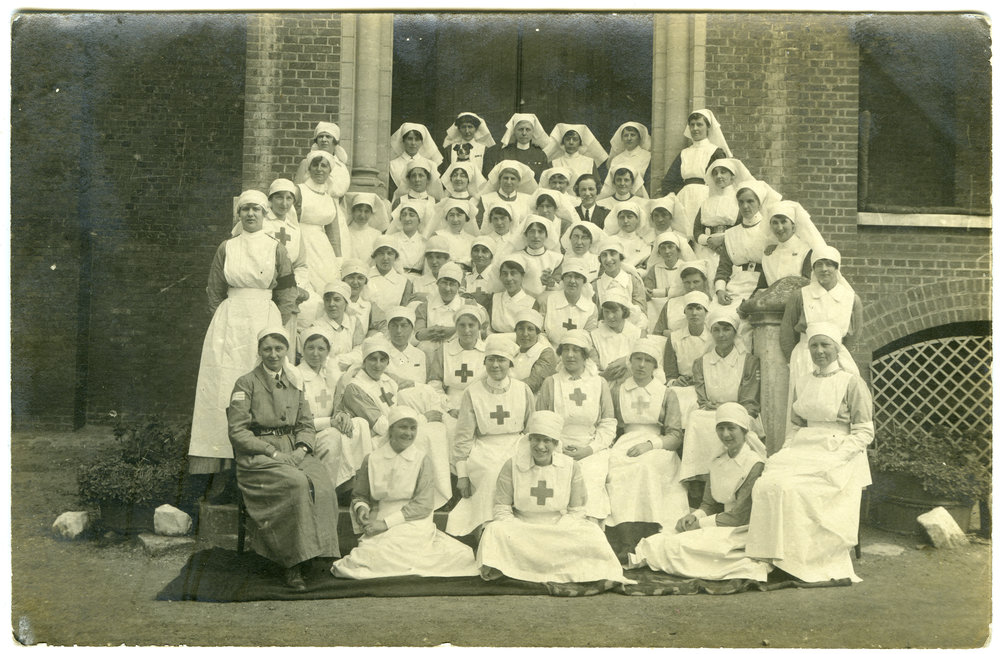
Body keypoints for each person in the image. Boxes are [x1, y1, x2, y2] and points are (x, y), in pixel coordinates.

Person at [746, 323, 874, 582]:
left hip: (836, 452)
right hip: (803, 449)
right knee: (766, 484)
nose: (819, 351)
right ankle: (772, 556)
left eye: (825, 344)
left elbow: (864, 432)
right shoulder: (803, 381)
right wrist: (785, 451)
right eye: (814, 345)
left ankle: (801, 559)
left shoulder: (851, 382)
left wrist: (838, 456)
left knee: (791, 491)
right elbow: (796, 425)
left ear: (837, 349)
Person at [189, 190, 297, 486]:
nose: (250, 214)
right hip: (229, 323)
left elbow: (288, 292)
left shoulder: (276, 248)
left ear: (264, 214)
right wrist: (223, 320)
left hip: (263, 319)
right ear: (239, 214)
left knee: (262, 388)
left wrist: (275, 325)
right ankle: (223, 473)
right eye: (245, 209)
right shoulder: (227, 247)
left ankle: (261, 466)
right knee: (224, 389)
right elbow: (214, 290)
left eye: (256, 210)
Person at [227, 327, 339, 590]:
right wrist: (272, 452)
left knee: (322, 483)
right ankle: (292, 564)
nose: (273, 354)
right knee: (296, 484)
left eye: (279, 348)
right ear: (259, 351)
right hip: (258, 456)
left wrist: (301, 449)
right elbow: (237, 431)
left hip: (293, 449)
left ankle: (317, 555)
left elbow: (306, 424)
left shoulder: (294, 382)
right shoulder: (246, 383)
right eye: (267, 349)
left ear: (287, 351)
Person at [476, 411, 632, 585]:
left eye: (547, 440)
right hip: (523, 528)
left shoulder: (570, 467)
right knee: (494, 530)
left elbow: (577, 510)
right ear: (529, 440)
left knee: (592, 531)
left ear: (556, 443)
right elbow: (502, 508)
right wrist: (517, 526)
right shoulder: (511, 465)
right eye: (536, 439)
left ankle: (526, 568)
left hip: (558, 527)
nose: (541, 446)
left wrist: (561, 527)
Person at [331, 405, 480, 579]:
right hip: (379, 517)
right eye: (403, 427)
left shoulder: (422, 460)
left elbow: (423, 505)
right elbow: (360, 495)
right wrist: (362, 509)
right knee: (365, 558)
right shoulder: (371, 459)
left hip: (415, 522)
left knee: (399, 549)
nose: (408, 433)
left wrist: (386, 524)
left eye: (413, 428)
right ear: (391, 429)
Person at [628, 403, 770, 582]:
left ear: (743, 431)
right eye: (721, 428)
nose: (725, 434)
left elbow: (740, 516)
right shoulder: (717, 462)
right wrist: (695, 516)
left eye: (731, 428)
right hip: (719, 524)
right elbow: (709, 504)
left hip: (740, 531)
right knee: (664, 538)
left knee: (680, 546)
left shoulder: (754, 464)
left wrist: (700, 524)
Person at [446, 334, 534, 537]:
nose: (496, 365)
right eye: (491, 359)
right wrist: (462, 475)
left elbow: (530, 428)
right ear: (484, 362)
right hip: (484, 447)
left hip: (517, 444)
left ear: (510, 363)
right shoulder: (472, 392)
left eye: (501, 360)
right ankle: (488, 529)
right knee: (492, 471)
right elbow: (463, 437)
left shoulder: (523, 389)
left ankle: (519, 528)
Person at [604, 339, 690, 534]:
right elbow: (611, 426)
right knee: (614, 469)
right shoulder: (618, 391)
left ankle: (647, 526)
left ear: (655, 366)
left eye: (648, 360)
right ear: (630, 361)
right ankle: (621, 528)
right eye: (637, 359)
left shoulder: (666, 394)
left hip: (658, 447)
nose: (642, 365)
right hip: (624, 442)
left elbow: (675, 436)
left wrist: (650, 445)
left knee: (645, 467)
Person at [679, 307, 760, 497]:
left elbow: (749, 400)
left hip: (741, 413)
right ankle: (702, 482)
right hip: (711, 413)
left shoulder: (748, 361)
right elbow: (703, 399)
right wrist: (716, 407)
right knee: (697, 418)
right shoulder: (701, 362)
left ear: (734, 332)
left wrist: (725, 408)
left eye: (726, 329)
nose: (721, 335)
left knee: (728, 423)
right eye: (716, 329)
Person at [534, 331, 615, 522]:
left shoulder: (599, 383)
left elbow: (608, 423)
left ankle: (588, 532)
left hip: (592, 448)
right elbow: (540, 422)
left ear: (585, 355)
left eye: (576, 350)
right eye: (566, 350)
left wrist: (589, 449)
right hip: (556, 447)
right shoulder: (550, 383)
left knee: (590, 479)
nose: (570, 355)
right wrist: (557, 447)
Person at [296, 326, 372, 489]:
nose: (316, 353)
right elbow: (300, 421)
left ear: (328, 351)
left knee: (360, 424)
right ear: (302, 350)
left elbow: (337, 404)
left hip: (329, 426)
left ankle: (358, 484)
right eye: (310, 348)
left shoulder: (329, 374)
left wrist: (342, 414)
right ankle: (328, 491)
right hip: (307, 433)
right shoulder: (296, 377)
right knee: (332, 436)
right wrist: (331, 422)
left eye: (321, 348)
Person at [779, 245, 863, 393]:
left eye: (829, 264)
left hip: (837, 358)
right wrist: (792, 360)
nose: (824, 269)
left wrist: (836, 353)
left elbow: (854, 335)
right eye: (819, 264)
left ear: (837, 268)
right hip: (805, 357)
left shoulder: (851, 299)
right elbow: (787, 332)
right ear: (813, 268)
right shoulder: (800, 295)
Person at [658, 109, 731, 240]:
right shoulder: (684, 153)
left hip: (706, 198)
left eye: (699, 124)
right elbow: (668, 181)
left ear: (708, 127)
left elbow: (723, 181)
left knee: (702, 234)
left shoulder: (715, 152)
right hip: (683, 200)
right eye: (692, 125)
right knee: (683, 236)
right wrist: (680, 195)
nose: (695, 128)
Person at [713, 179, 782, 308]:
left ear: (759, 203)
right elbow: (724, 268)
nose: (745, 206)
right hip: (735, 286)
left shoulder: (770, 230)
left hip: (762, 286)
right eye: (741, 202)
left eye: (750, 201)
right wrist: (720, 290)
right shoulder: (731, 234)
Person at [691, 158, 753, 282]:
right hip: (706, 250)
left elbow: (744, 225)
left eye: (723, 172)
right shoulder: (706, 203)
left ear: (732, 176)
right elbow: (697, 230)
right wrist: (708, 240)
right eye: (715, 173)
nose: (719, 176)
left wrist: (722, 240)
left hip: (732, 248)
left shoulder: (739, 201)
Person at [297, 150, 352, 287]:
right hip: (301, 244)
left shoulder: (330, 199)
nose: (319, 169)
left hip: (322, 248)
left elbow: (333, 234)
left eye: (324, 166)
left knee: (326, 282)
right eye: (315, 165)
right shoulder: (299, 191)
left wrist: (338, 259)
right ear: (309, 168)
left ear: (330, 170)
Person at [662, 290, 713, 427]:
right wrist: (676, 381)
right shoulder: (674, 338)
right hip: (682, 387)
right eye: (690, 308)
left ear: (706, 312)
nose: (694, 313)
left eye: (698, 308)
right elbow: (670, 371)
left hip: (706, 387)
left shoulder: (713, 339)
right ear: (684, 312)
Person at [757, 200, 825, 289]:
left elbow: (808, 286)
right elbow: (761, 287)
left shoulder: (806, 251)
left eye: (784, 221)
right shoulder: (769, 254)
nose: (779, 228)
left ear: (793, 226)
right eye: (775, 223)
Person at [306, 281, 364, 376]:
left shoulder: (354, 322)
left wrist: (338, 360)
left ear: (345, 303)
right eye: (327, 300)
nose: (331, 304)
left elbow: (360, 351)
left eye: (337, 299)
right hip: (325, 374)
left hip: (352, 372)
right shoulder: (317, 326)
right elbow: (317, 358)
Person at [590, 289, 645, 384]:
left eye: (614, 311)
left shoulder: (638, 334)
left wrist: (627, 361)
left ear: (624, 311)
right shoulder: (594, 336)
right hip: (605, 385)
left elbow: (647, 364)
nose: (610, 316)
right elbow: (592, 369)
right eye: (606, 312)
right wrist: (604, 375)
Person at [413, 261, 466, 361]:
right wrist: (432, 332)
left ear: (458, 286)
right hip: (430, 354)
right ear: (437, 283)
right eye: (444, 283)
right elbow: (418, 334)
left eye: (452, 284)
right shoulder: (424, 306)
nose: (447, 288)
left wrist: (452, 331)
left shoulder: (466, 305)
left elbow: (476, 331)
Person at [540, 259, 599, 346]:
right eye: (569, 276)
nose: (572, 281)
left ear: (584, 281)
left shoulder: (591, 308)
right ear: (563, 279)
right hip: (549, 351)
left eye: (577, 277)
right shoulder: (549, 301)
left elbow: (589, 338)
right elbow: (540, 332)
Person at [651, 260, 716, 336]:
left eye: (696, 282)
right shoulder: (671, 304)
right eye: (687, 282)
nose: (691, 287)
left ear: (704, 281)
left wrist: (672, 334)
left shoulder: (713, 304)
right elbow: (658, 333)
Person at [485, 113, 552, 182]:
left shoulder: (540, 154)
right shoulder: (503, 152)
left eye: (528, 129)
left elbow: (545, 179)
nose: (524, 133)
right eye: (520, 129)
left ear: (533, 132)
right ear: (514, 131)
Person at [486, 254, 539, 334]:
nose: (508, 278)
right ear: (500, 276)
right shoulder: (494, 299)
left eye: (513, 273)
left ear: (522, 276)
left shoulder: (532, 303)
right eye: (504, 273)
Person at [389, 123, 444, 200]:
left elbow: (436, 194)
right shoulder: (392, 165)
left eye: (417, 139)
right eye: (410, 139)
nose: (413, 143)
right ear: (403, 141)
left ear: (422, 142)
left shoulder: (430, 164)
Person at [509, 308, 557, 394]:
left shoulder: (545, 352)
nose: (525, 333)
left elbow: (533, 383)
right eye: (521, 329)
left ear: (537, 333)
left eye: (530, 329)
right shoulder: (513, 353)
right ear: (515, 331)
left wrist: (504, 389)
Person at [513, 214, 562, 299]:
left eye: (540, 232)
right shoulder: (516, 257)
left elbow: (562, 288)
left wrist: (551, 283)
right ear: (525, 234)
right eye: (532, 231)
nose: (536, 236)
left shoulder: (556, 259)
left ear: (546, 235)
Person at [479, 160, 537, 231]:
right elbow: (480, 227)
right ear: (499, 180)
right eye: (505, 178)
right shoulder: (486, 199)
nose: (508, 182)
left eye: (513, 179)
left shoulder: (528, 200)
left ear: (518, 182)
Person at [366, 235, 416, 317]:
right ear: (374, 256)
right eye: (381, 253)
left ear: (395, 257)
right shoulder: (365, 278)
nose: (385, 258)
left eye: (390, 253)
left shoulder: (404, 282)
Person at [601, 121, 652, 197]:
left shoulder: (647, 156)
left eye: (632, 135)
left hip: (641, 196)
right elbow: (610, 184)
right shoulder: (616, 159)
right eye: (625, 135)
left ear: (639, 137)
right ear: (621, 139)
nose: (629, 138)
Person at [293, 121, 351, 186]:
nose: (324, 139)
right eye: (320, 136)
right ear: (317, 141)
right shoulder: (306, 163)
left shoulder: (341, 166)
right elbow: (297, 189)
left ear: (335, 141)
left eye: (328, 136)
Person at [341, 259, 387, 338]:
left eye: (360, 278)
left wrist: (371, 336)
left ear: (365, 281)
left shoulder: (369, 306)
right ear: (343, 280)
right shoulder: (333, 302)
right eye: (351, 277)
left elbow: (385, 327)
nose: (355, 282)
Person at [439, 111, 494, 176]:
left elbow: (488, 175)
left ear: (476, 129)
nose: (467, 131)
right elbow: (445, 175)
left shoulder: (484, 149)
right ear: (459, 129)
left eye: (470, 127)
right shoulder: (450, 149)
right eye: (463, 127)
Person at [604, 201, 653, 270]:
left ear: (637, 219)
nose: (625, 221)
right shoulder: (610, 241)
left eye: (630, 217)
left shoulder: (645, 243)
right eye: (622, 217)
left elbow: (647, 267)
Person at [344, 192, 390, 264]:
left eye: (366, 211)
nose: (362, 215)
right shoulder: (345, 232)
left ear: (371, 213)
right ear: (353, 212)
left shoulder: (377, 234)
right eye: (359, 210)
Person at [386, 199, 428, 276]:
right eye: (404, 215)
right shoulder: (391, 239)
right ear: (400, 218)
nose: (407, 219)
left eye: (411, 215)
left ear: (419, 219)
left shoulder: (425, 242)